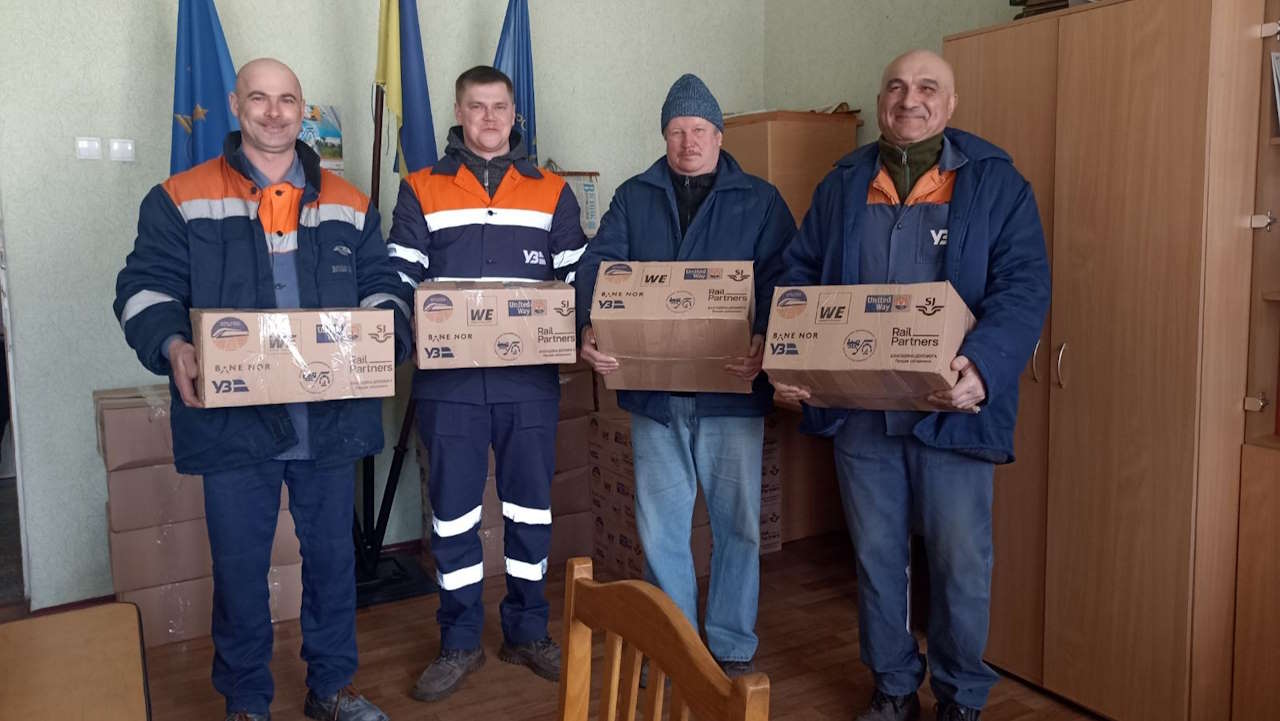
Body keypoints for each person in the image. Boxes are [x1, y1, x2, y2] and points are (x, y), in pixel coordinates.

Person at [114, 58, 411, 721]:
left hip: (329, 421)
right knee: (242, 572)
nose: (274, 112)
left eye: (287, 100)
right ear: (235, 104)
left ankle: (331, 689)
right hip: (232, 423)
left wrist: (387, 333)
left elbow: (384, 284)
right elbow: (143, 289)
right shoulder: (180, 196)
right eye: (259, 98)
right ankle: (247, 700)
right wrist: (174, 343)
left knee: (334, 562)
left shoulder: (348, 200)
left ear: (303, 108)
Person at [773, 50, 1050, 721]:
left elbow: (1024, 287)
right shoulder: (843, 184)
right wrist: (791, 357)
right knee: (876, 557)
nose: (910, 98)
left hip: (950, 408)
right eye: (896, 85)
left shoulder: (994, 183)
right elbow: (799, 275)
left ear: (950, 105)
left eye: (928, 87)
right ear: (880, 100)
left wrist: (982, 365)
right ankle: (894, 684)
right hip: (862, 411)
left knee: (959, 562)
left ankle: (961, 696)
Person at [575, 73, 794, 678]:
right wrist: (588, 328)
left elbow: (785, 277)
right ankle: (673, 642)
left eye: (699, 130)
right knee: (662, 528)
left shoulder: (760, 200)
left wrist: (765, 337)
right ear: (664, 137)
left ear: (719, 135)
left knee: (738, 525)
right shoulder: (634, 195)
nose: (687, 142)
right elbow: (599, 264)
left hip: (732, 391)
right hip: (654, 393)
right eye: (676, 131)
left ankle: (728, 642)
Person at [385, 65, 587, 702]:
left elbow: (578, 282)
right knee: (453, 519)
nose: (490, 119)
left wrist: (585, 330)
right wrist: (385, 341)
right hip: (449, 386)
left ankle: (528, 631)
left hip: (529, 383)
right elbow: (397, 280)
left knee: (530, 511)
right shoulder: (421, 187)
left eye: (500, 107)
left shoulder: (552, 191)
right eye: (478, 107)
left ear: (514, 115)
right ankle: (459, 641)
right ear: (459, 111)